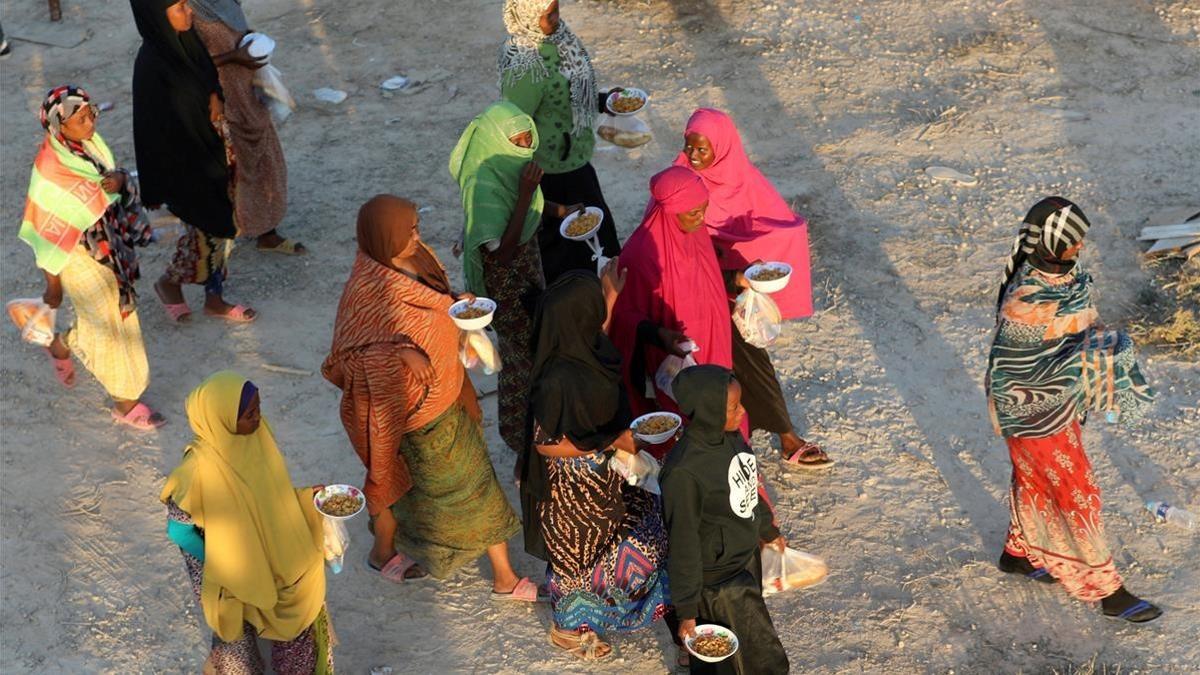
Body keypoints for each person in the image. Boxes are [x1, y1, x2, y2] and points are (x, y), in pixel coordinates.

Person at [322, 195, 539, 600]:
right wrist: (397, 352)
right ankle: (492, 575)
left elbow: (435, 303)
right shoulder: (366, 290)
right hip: (413, 415)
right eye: (409, 231)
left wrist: (457, 304)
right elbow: (344, 360)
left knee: (452, 485)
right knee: (439, 488)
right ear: (383, 237)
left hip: (449, 393)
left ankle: (495, 574)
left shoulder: (418, 258)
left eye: (417, 227)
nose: (418, 236)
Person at [988, 197, 1159, 623]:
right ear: (1049, 243)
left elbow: (1076, 330)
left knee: (1034, 481)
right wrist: (1093, 356)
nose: (1078, 249)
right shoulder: (1026, 298)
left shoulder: (1070, 278)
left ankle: (1019, 554)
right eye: (1071, 243)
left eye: (1080, 241)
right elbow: (1021, 369)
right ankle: (1106, 590)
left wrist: (1102, 346)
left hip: (1057, 406)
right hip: (1031, 411)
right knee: (1077, 491)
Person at [522, 269, 674, 660]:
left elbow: (596, 331)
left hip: (605, 479)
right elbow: (545, 446)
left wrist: (609, 296)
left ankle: (598, 612)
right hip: (571, 494)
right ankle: (569, 628)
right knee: (578, 558)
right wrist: (609, 441)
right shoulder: (555, 379)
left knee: (640, 529)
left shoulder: (585, 347)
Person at [675, 108, 831, 469]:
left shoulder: (742, 178)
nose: (693, 157)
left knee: (751, 360)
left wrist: (755, 267)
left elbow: (774, 222)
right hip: (692, 289)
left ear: (725, 148)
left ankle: (785, 434)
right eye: (689, 147)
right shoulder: (680, 181)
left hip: (727, 289)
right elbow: (677, 247)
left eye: (702, 149)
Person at [161, 371, 334, 672]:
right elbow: (178, 530)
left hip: (266, 553)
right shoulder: (196, 472)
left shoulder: (257, 436)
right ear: (220, 419)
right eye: (249, 414)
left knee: (295, 617)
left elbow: (267, 495)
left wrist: (306, 497)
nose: (258, 418)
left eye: (258, 408)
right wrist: (229, 566)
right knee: (237, 639)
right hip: (225, 567)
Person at [18, 85, 164, 430]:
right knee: (108, 328)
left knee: (118, 319)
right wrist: (52, 287)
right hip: (77, 259)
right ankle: (125, 402)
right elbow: (46, 234)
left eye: (91, 113)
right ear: (59, 126)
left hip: (107, 251)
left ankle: (61, 344)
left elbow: (107, 189)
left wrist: (119, 179)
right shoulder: (49, 174)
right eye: (81, 118)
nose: (90, 122)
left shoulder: (90, 147)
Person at [449, 100, 580, 456]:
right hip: (507, 289)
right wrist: (525, 194)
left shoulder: (507, 169)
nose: (526, 148)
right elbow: (502, 254)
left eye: (527, 140)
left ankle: (544, 430)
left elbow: (528, 200)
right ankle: (524, 441)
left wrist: (559, 211)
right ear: (495, 141)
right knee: (523, 363)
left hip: (528, 276)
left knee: (539, 351)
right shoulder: (483, 187)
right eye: (517, 142)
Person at [130, 0, 256, 323]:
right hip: (188, 168)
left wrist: (214, 96)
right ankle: (171, 283)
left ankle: (213, 296)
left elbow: (207, 78)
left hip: (214, 153)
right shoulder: (152, 66)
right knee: (206, 233)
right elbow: (152, 132)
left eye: (187, 4)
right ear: (158, 16)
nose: (189, 12)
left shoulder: (188, 42)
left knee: (223, 227)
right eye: (179, 7)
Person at [660, 365, 790, 674]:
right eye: (734, 407)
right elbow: (684, 543)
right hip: (715, 582)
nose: (743, 412)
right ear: (707, 411)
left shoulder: (731, 439)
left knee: (753, 649)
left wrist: (766, 528)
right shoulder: (683, 472)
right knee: (740, 661)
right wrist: (688, 611)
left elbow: (746, 486)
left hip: (744, 561)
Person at [607, 166, 735, 456]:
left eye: (703, 209)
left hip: (712, 343)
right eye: (693, 213)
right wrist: (660, 334)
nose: (701, 218)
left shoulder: (697, 233)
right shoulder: (641, 253)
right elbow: (625, 315)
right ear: (670, 212)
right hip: (672, 356)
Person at [498, 0, 620, 282]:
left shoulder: (560, 41)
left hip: (575, 166)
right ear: (527, 16)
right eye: (547, 15)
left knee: (601, 248)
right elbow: (514, 129)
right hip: (550, 178)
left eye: (556, 9)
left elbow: (565, 95)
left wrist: (601, 101)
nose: (556, 19)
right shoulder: (525, 66)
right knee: (570, 263)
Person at [191, 0, 304, 255]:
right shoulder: (187, 10)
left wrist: (250, 41)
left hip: (246, 90)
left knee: (263, 156)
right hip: (218, 99)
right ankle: (229, 233)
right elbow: (188, 65)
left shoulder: (222, 3)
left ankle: (267, 231)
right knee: (235, 166)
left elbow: (233, 32)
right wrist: (234, 56)